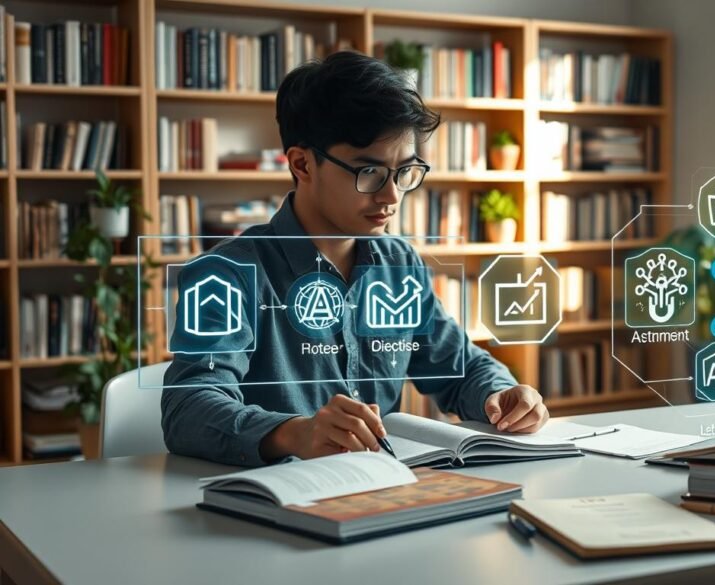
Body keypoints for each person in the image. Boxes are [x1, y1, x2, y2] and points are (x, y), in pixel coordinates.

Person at [161, 51, 549, 467]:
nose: (392, 196)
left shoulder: (398, 265)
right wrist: (295, 432)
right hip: (273, 507)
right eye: (369, 173)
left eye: (404, 172)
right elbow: (188, 408)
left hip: (383, 496)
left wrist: (500, 394)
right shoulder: (227, 275)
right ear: (302, 164)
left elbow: (460, 366)